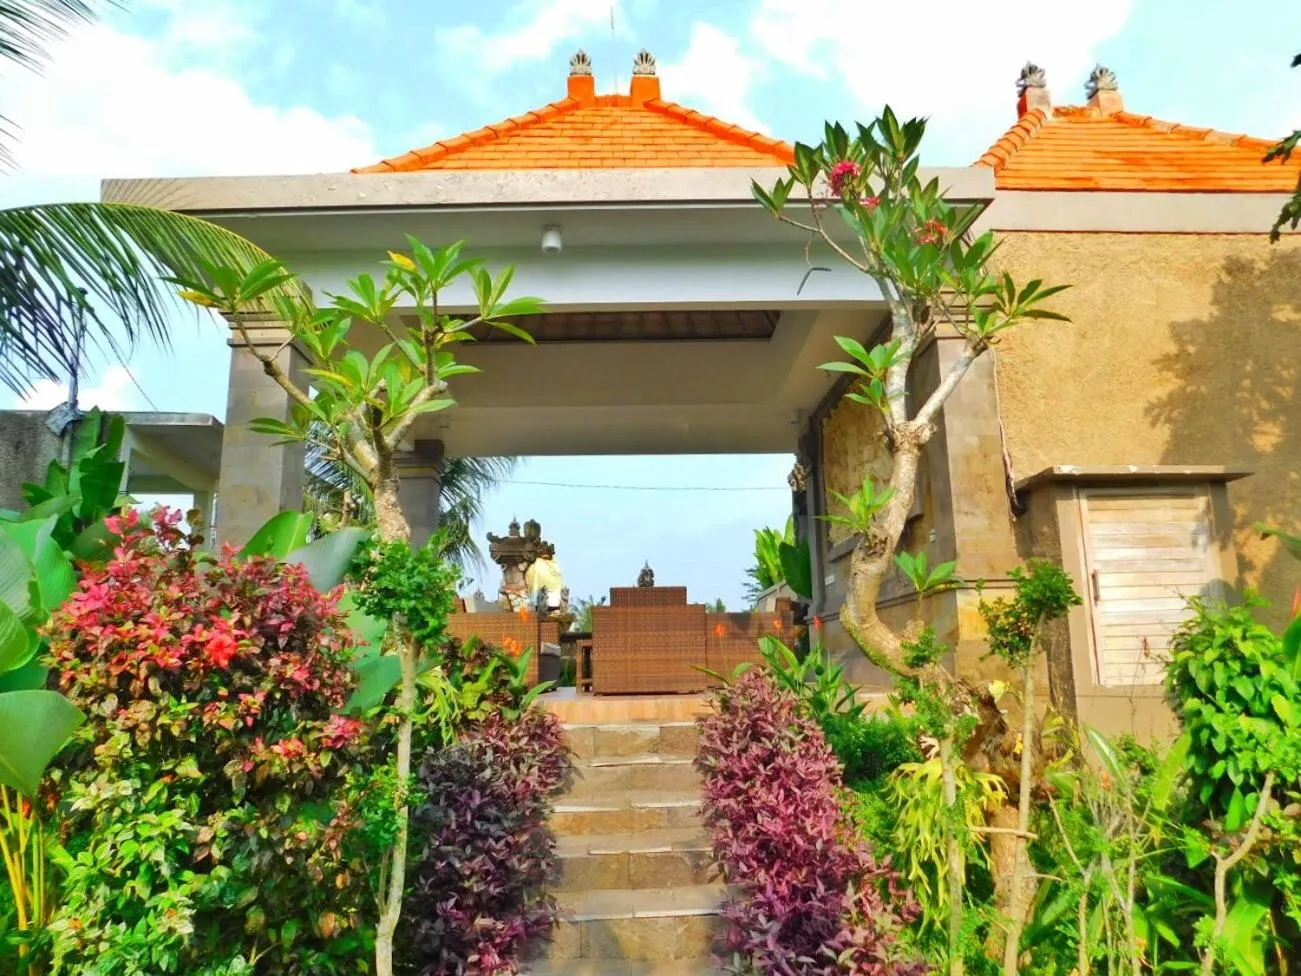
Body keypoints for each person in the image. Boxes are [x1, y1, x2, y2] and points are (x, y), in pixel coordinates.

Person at [526, 543, 565, 613]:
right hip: (554, 601)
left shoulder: (536, 564)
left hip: (539, 602)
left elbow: (528, 579)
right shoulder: (555, 565)